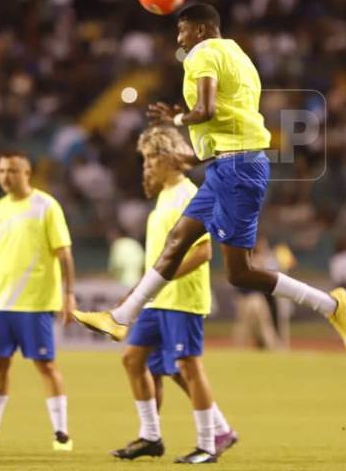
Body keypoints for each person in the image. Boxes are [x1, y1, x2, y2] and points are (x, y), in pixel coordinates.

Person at [73, 3, 346, 353]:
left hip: (237, 169)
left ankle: (330, 305)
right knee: (178, 239)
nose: (180, 39)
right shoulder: (239, 57)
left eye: (183, 30)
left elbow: (205, 111)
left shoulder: (202, 54)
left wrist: (178, 120)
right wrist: (190, 155)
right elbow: (226, 125)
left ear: (202, 30)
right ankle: (121, 317)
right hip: (231, 164)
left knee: (240, 272)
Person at [112, 126, 237, 464]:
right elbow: (160, 259)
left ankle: (208, 444)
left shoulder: (187, 195)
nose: (147, 165)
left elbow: (203, 252)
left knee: (187, 366)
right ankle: (151, 436)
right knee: (134, 359)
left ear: (170, 158)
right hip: (159, 300)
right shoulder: (165, 197)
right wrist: (138, 291)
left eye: (152, 157)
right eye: (145, 158)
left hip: (182, 297)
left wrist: (156, 284)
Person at [0, 152, 77, 451]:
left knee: (46, 365)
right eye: (1, 171)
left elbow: (64, 254)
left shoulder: (46, 206)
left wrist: (69, 293)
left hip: (35, 303)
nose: (5, 176)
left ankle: (62, 433)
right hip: (0, 303)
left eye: (12, 170)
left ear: (27, 172)